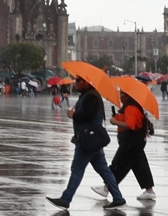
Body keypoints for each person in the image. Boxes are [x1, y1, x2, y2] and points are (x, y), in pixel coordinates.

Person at [50, 81, 124, 209]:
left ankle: (65, 199)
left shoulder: (91, 96)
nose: (76, 83)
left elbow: (89, 116)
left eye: (79, 81)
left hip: (88, 140)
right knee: (103, 169)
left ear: (87, 82)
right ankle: (118, 198)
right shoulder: (88, 95)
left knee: (77, 170)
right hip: (90, 139)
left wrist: (74, 115)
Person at [101, 93, 155, 198]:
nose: (120, 96)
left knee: (118, 163)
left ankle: (107, 187)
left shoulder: (131, 108)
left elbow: (130, 125)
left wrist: (115, 121)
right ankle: (149, 190)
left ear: (128, 96)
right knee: (139, 165)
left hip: (131, 141)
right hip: (134, 141)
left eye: (122, 94)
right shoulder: (129, 108)